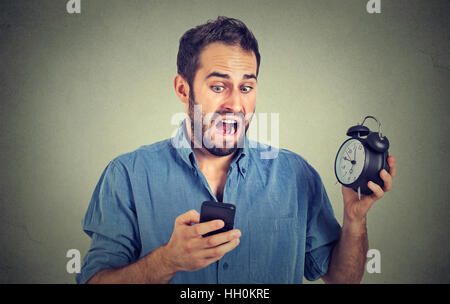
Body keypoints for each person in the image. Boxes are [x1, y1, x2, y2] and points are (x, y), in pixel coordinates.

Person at [76, 16, 396, 284]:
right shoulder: (128, 175)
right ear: (183, 88)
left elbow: (343, 279)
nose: (235, 104)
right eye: (218, 86)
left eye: (246, 87)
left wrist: (355, 219)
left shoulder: (297, 175)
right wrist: (166, 261)